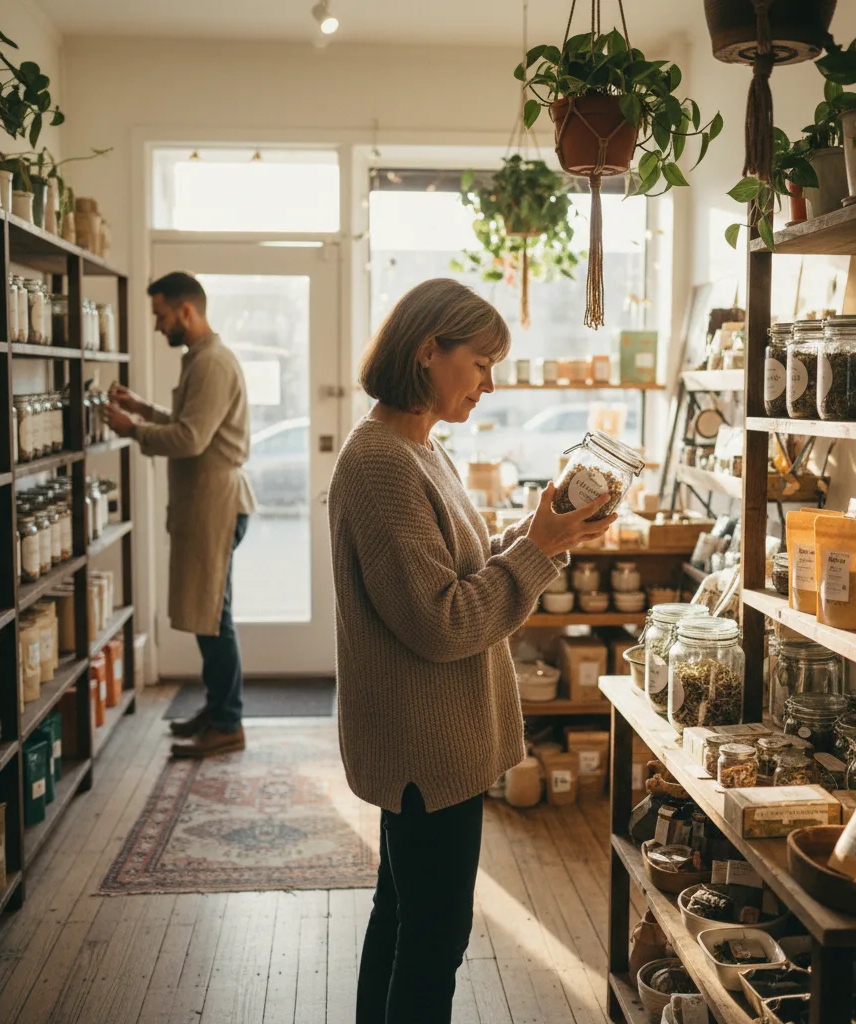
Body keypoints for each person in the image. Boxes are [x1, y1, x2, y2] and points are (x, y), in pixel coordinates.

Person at [329, 278, 616, 1024]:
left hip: (430, 740)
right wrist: (539, 549)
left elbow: (459, 573)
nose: (490, 384)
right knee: (433, 939)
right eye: (481, 363)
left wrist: (541, 533)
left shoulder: (419, 448)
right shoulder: (384, 462)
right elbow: (442, 621)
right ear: (429, 351)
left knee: (402, 916)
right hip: (424, 747)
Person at [104, 271, 255, 759]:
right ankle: (218, 710)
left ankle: (228, 722)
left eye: (161, 315)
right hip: (206, 503)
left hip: (216, 504)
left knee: (213, 617)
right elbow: (189, 423)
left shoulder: (212, 363)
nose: (157, 326)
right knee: (209, 615)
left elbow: (191, 439)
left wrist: (133, 429)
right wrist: (142, 409)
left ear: (186, 311)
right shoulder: (202, 358)